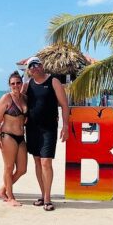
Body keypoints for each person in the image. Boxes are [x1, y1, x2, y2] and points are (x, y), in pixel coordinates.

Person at [23, 56, 69, 211]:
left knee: (46, 162)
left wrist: (66, 126)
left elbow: (64, 105)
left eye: (37, 64)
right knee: (37, 162)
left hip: (48, 129)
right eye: (31, 66)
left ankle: (48, 198)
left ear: (42, 66)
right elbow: (13, 97)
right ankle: (43, 195)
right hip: (32, 129)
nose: (35, 67)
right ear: (29, 71)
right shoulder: (28, 84)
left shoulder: (53, 82)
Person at [0, 71, 28, 206]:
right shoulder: (6, 98)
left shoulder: (25, 98)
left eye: (18, 83)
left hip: (21, 137)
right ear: (9, 85)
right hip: (7, 136)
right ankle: (10, 197)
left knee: (22, 169)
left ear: (21, 83)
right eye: (13, 83)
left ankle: (2, 189)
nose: (16, 85)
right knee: (8, 167)